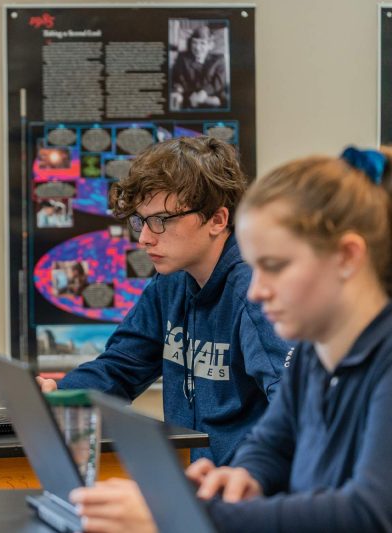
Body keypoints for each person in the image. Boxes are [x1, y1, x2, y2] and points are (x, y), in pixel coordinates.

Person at [70, 147, 392, 532]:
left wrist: (182, 515)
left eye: (273, 267)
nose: (255, 291)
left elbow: (370, 513)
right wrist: (245, 475)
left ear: (347, 257)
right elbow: (274, 442)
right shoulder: (313, 351)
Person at [38, 137, 290, 465]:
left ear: (217, 219)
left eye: (161, 220)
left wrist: (251, 475)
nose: (144, 237)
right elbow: (121, 367)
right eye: (141, 221)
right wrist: (61, 394)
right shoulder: (170, 281)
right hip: (192, 481)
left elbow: (295, 411)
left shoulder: (255, 292)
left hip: (242, 493)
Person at [169, 25, 228, 111]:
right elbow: (176, 78)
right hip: (189, 97)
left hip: (213, 97)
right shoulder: (182, 58)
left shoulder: (219, 60)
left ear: (210, 45)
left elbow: (219, 82)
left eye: (202, 43)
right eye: (194, 42)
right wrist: (177, 90)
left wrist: (203, 93)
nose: (197, 48)